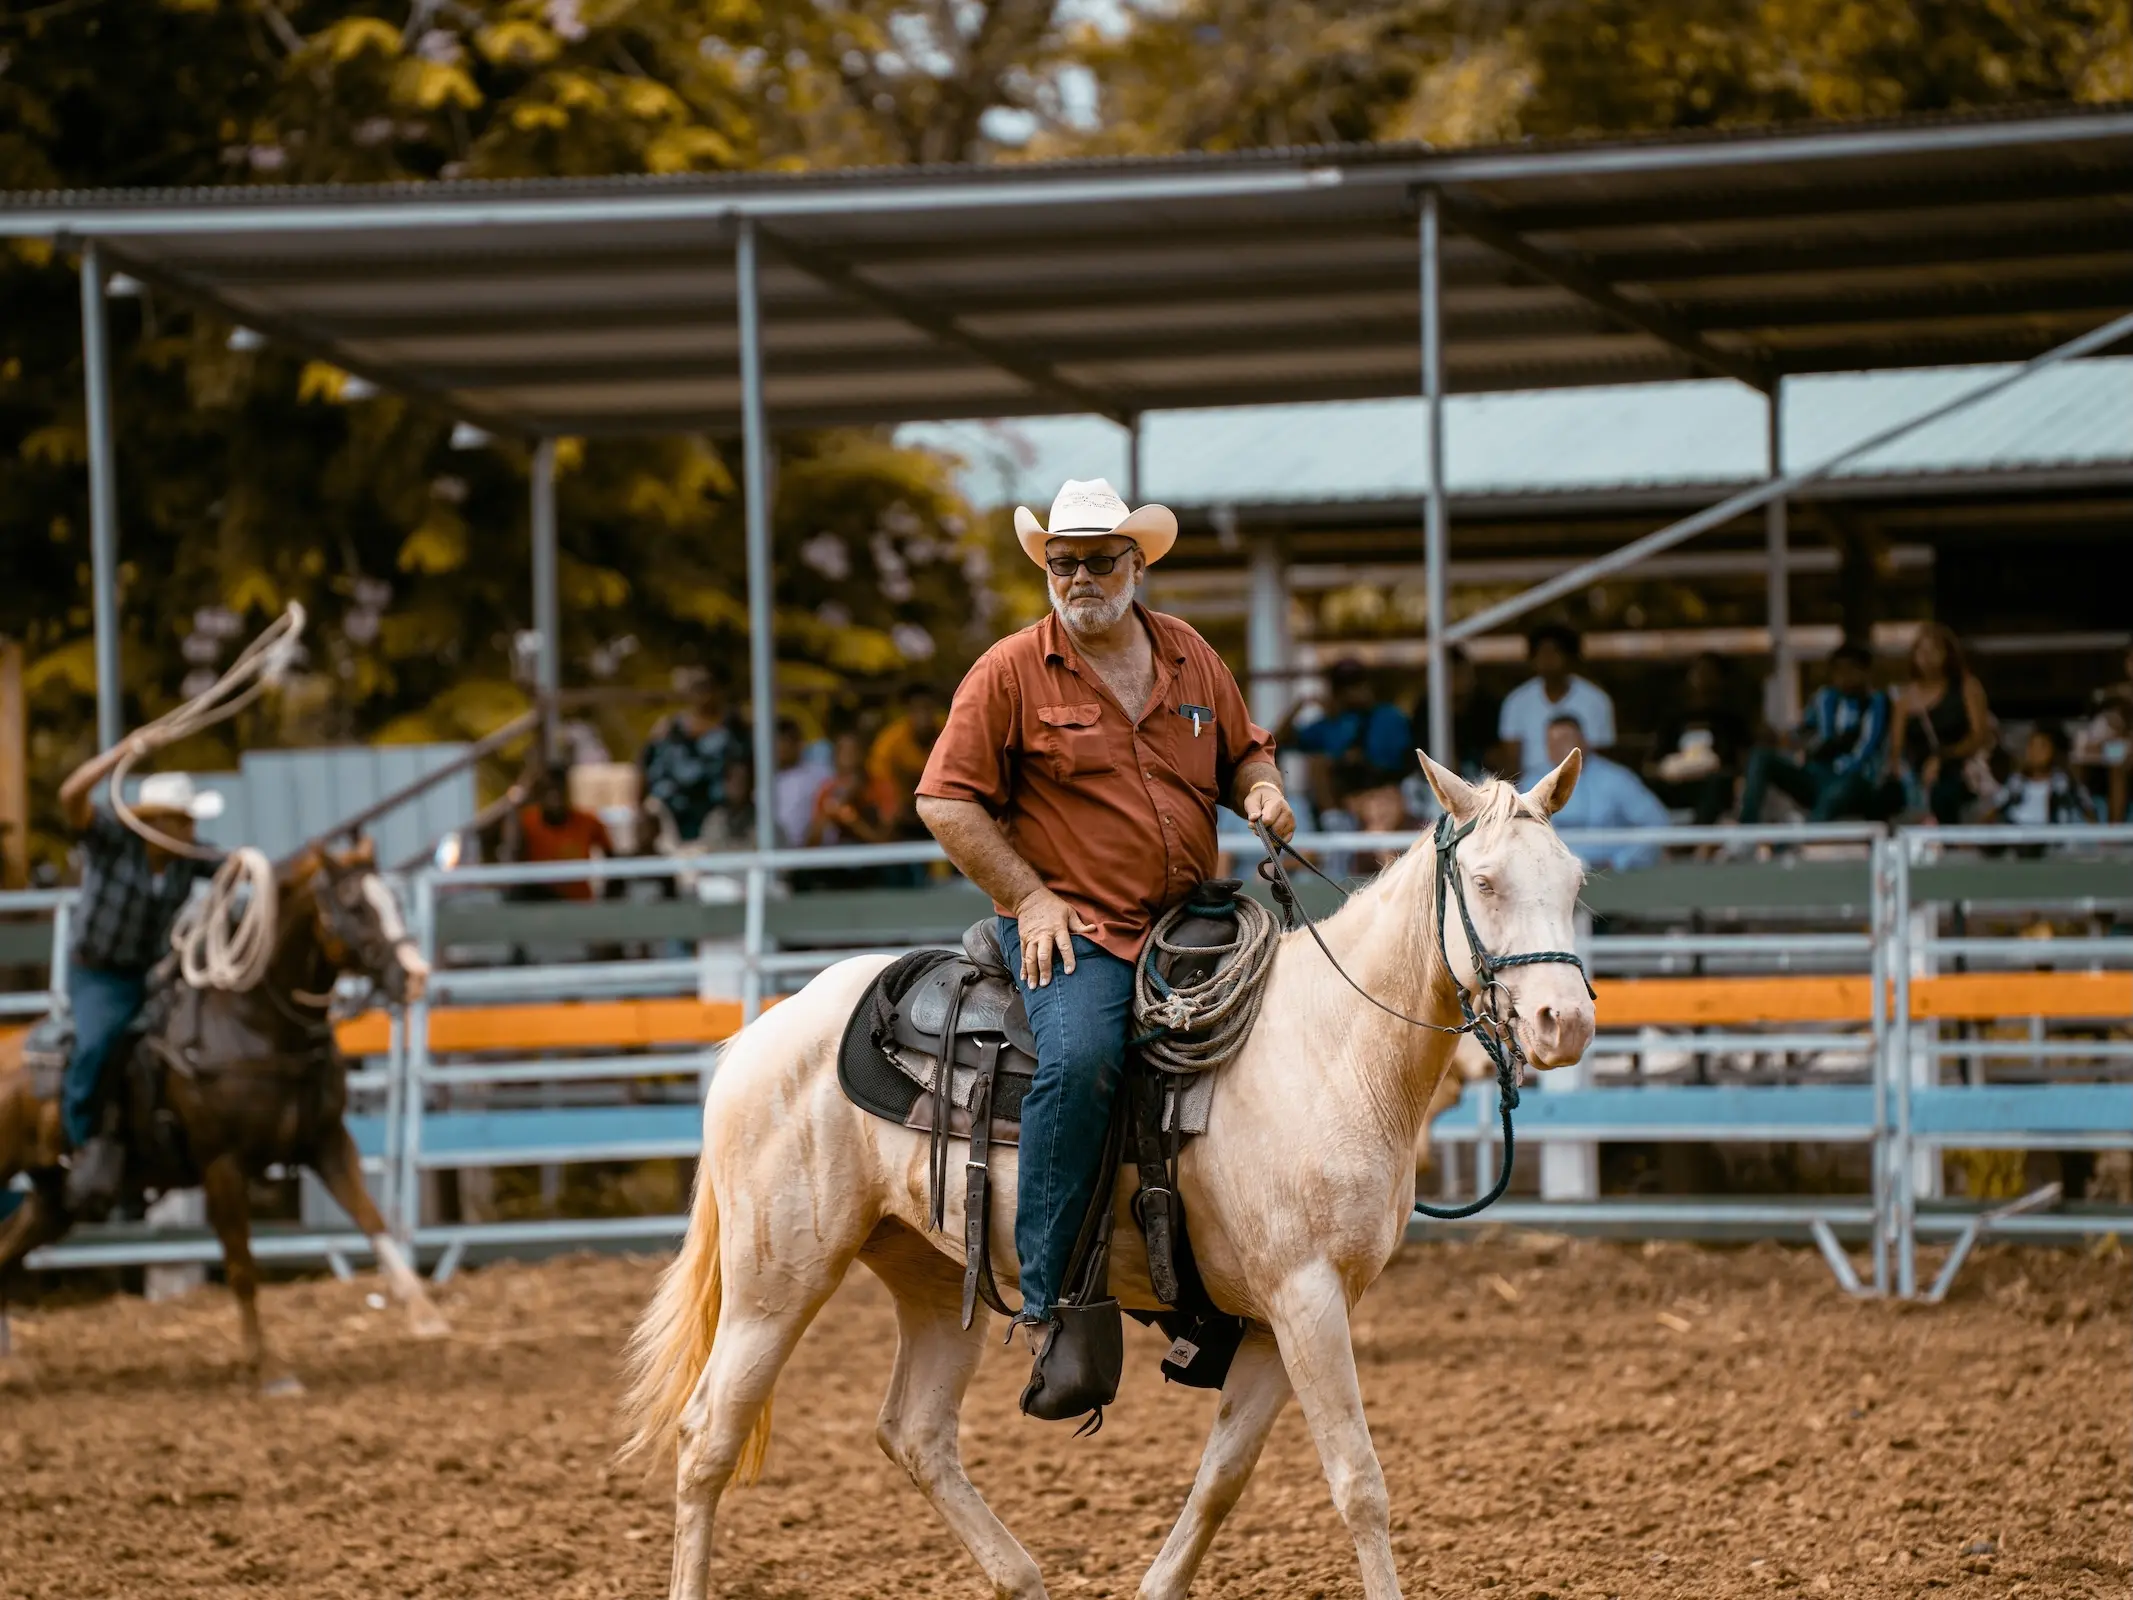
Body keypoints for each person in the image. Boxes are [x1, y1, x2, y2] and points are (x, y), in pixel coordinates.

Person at [915, 477, 1292, 1384]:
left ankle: (1223, 1271)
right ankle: (1049, 1295)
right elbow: (945, 801)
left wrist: (1262, 793)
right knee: (1082, 1059)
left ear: (1135, 565)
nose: (1079, 577)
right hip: (1075, 929)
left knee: (1278, 1042)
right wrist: (1031, 899)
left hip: (1191, 919)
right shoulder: (1009, 669)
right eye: (1062, 562)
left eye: (1097, 560)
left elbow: (1244, 751)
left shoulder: (1190, 655)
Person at [56, 750, 225, 1209]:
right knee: (95, 1044)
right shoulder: (112, 840)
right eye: (184, 820)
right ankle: (77, 1141)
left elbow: (237, 867)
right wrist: (121, 753)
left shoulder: (189, 858)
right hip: (98, 973)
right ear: (159, 823)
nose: (191, 830)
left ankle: (162, 1142)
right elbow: (71, 795)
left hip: (149, 975)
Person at [1738, 642, 1890, 824]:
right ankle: (1746, 827)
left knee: (1836, 792)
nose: (1844, 676)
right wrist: (1778, 738)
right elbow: (1799, 733)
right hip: (1816, 776)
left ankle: (1807, 835)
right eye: (1838, 670)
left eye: (1851, 669)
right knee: (1761, 757)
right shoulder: (1824, 698)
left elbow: (1869, 746)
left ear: (1865, 672)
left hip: (1855, 780)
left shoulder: (1877, 702)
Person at [1277, 658, 1413, 819]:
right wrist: (1300, 705)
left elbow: (1403, 761)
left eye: (1357, 684)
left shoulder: (1390, 716)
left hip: (1385, 791)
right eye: (1343, 687)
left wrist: (1359, 759)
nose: (1352, 691)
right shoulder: (1329, 724)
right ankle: (1333, 819)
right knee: (1319, 764)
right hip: (1344, 799)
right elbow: (1277, 741)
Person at [1889, 623, 1995, 825]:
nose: (1927, 656)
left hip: (1960, 769)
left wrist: (1943, 757)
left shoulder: (1967, 687)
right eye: (1921, 650)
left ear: (1948, 654)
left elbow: (1979, 736)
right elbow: (1897, 747)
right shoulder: (1904, 699)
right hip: (1917, 775)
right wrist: (1902, 773)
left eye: (1934, 650)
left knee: (1944, 795)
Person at [1544, 715, 1670, 872]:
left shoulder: (1616, 778)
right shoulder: (1532, 782)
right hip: (1554, 876)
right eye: (1551, 742)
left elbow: (1657, 823)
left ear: (1584, 742)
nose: (1557, 747)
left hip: (1611, 874)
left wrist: (1621, 861)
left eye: (1564, 740)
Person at [1498, 624, 1614, 783]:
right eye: (1542, 653)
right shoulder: (1516, 702)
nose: (1548, 660)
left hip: (1584, 785)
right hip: (1531, 789)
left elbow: (1601, 760)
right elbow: (1512, 763)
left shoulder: (1596, 700)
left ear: (1570, 657)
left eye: (1555, 652)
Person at [1648, 651, 1754, 825]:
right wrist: (1668, 769)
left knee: (1719, 784)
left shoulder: (1731, 720)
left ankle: (1697, 837)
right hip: (1677, 784)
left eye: (1709, 673)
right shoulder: (1674, 720)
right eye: (1699, 673)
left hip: (1714, 786)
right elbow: (1652, 764)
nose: (1704, 680)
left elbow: (1743, 762)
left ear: (1720, 679)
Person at [640, 678, 742, 847]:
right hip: (676, 817)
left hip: (720, 817)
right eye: (699, 690)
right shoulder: (671, 729)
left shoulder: (733, 729)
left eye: (709, 690)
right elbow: (648, 768)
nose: (705, 696)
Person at [501, 765, 615, 901]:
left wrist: (609, 897)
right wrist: (514, 808)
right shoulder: (526, 821)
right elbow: (512, 855)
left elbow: (612, 857)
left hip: (578, 903)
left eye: (559, 790)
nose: (554, 797)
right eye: (548, 790)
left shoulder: (588, 821)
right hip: (539, 902)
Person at [867, 682, 946, 840]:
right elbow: (879, 776)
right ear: (908, 712)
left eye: (927, 708)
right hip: (902, 807)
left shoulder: (950, 730)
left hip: (943, 802)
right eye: (917, 709)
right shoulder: (890, 741)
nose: (923, 715)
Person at [1987, 723, 2098, 827]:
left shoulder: (2065, 783)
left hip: (2055, 837)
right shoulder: (2015, 782)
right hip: (2019, 836)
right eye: (2031, 746)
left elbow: (2088, 809)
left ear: (2052, 751)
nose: (2035, 752)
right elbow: (1993, 808)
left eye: (2042, 747)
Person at [772, 719, 834, 849]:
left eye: (785, 742)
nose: (780, 748)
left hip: (812, 852)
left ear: (799, 744)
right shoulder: (766, 780)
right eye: (777, 742)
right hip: (776, 852)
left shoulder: (819, 773)